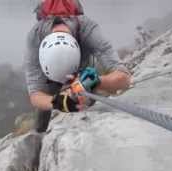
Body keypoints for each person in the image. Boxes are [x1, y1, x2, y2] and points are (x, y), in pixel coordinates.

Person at [24, 0, 131, 133]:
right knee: (45, 105)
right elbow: (36, 95)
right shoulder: (35, 37)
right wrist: (57, 103)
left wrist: (96, 81)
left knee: (86, 98)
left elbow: (124, 78)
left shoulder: (88, 30)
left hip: (81, 71)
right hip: (51, 80)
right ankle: (39, 133)